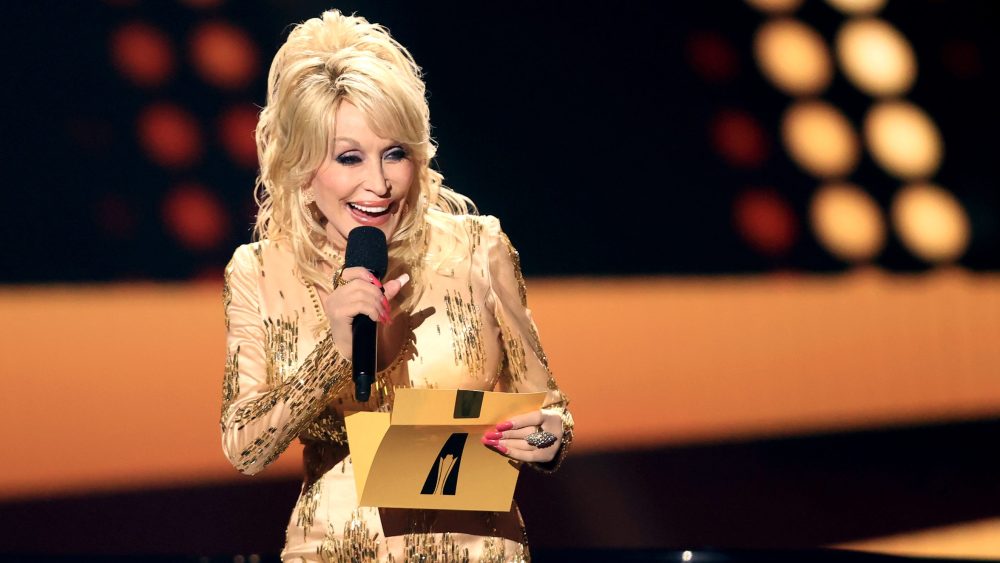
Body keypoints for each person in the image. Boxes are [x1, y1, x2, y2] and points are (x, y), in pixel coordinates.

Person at [220, 9, 574, 562]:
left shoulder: (476, 250)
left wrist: (547, 436)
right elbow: (244, 447)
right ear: (303, 170)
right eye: (349, 158)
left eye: (395, 154)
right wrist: (331, 357)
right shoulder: (262, 271)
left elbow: (548, 406)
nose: (379, 184)